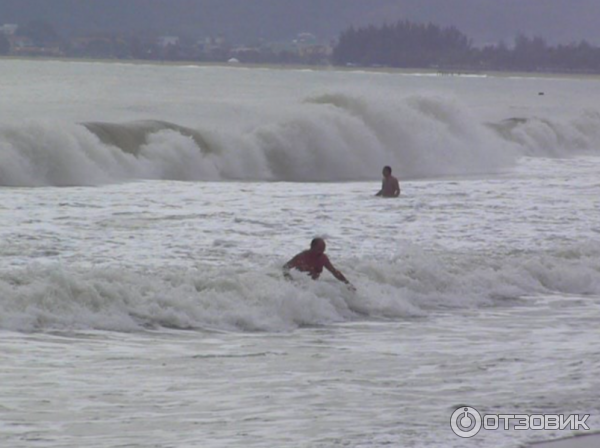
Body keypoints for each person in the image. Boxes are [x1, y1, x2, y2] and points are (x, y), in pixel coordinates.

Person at [283, 238, 355, 289]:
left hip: (315, 287)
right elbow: (285, 267)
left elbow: (334, 272)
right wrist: (291, 281)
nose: (321, 252)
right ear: (312, 247)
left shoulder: (323, 258)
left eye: (323, 249)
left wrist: (347, 283)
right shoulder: (301, 257)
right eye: (319, 249)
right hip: (301, 286)